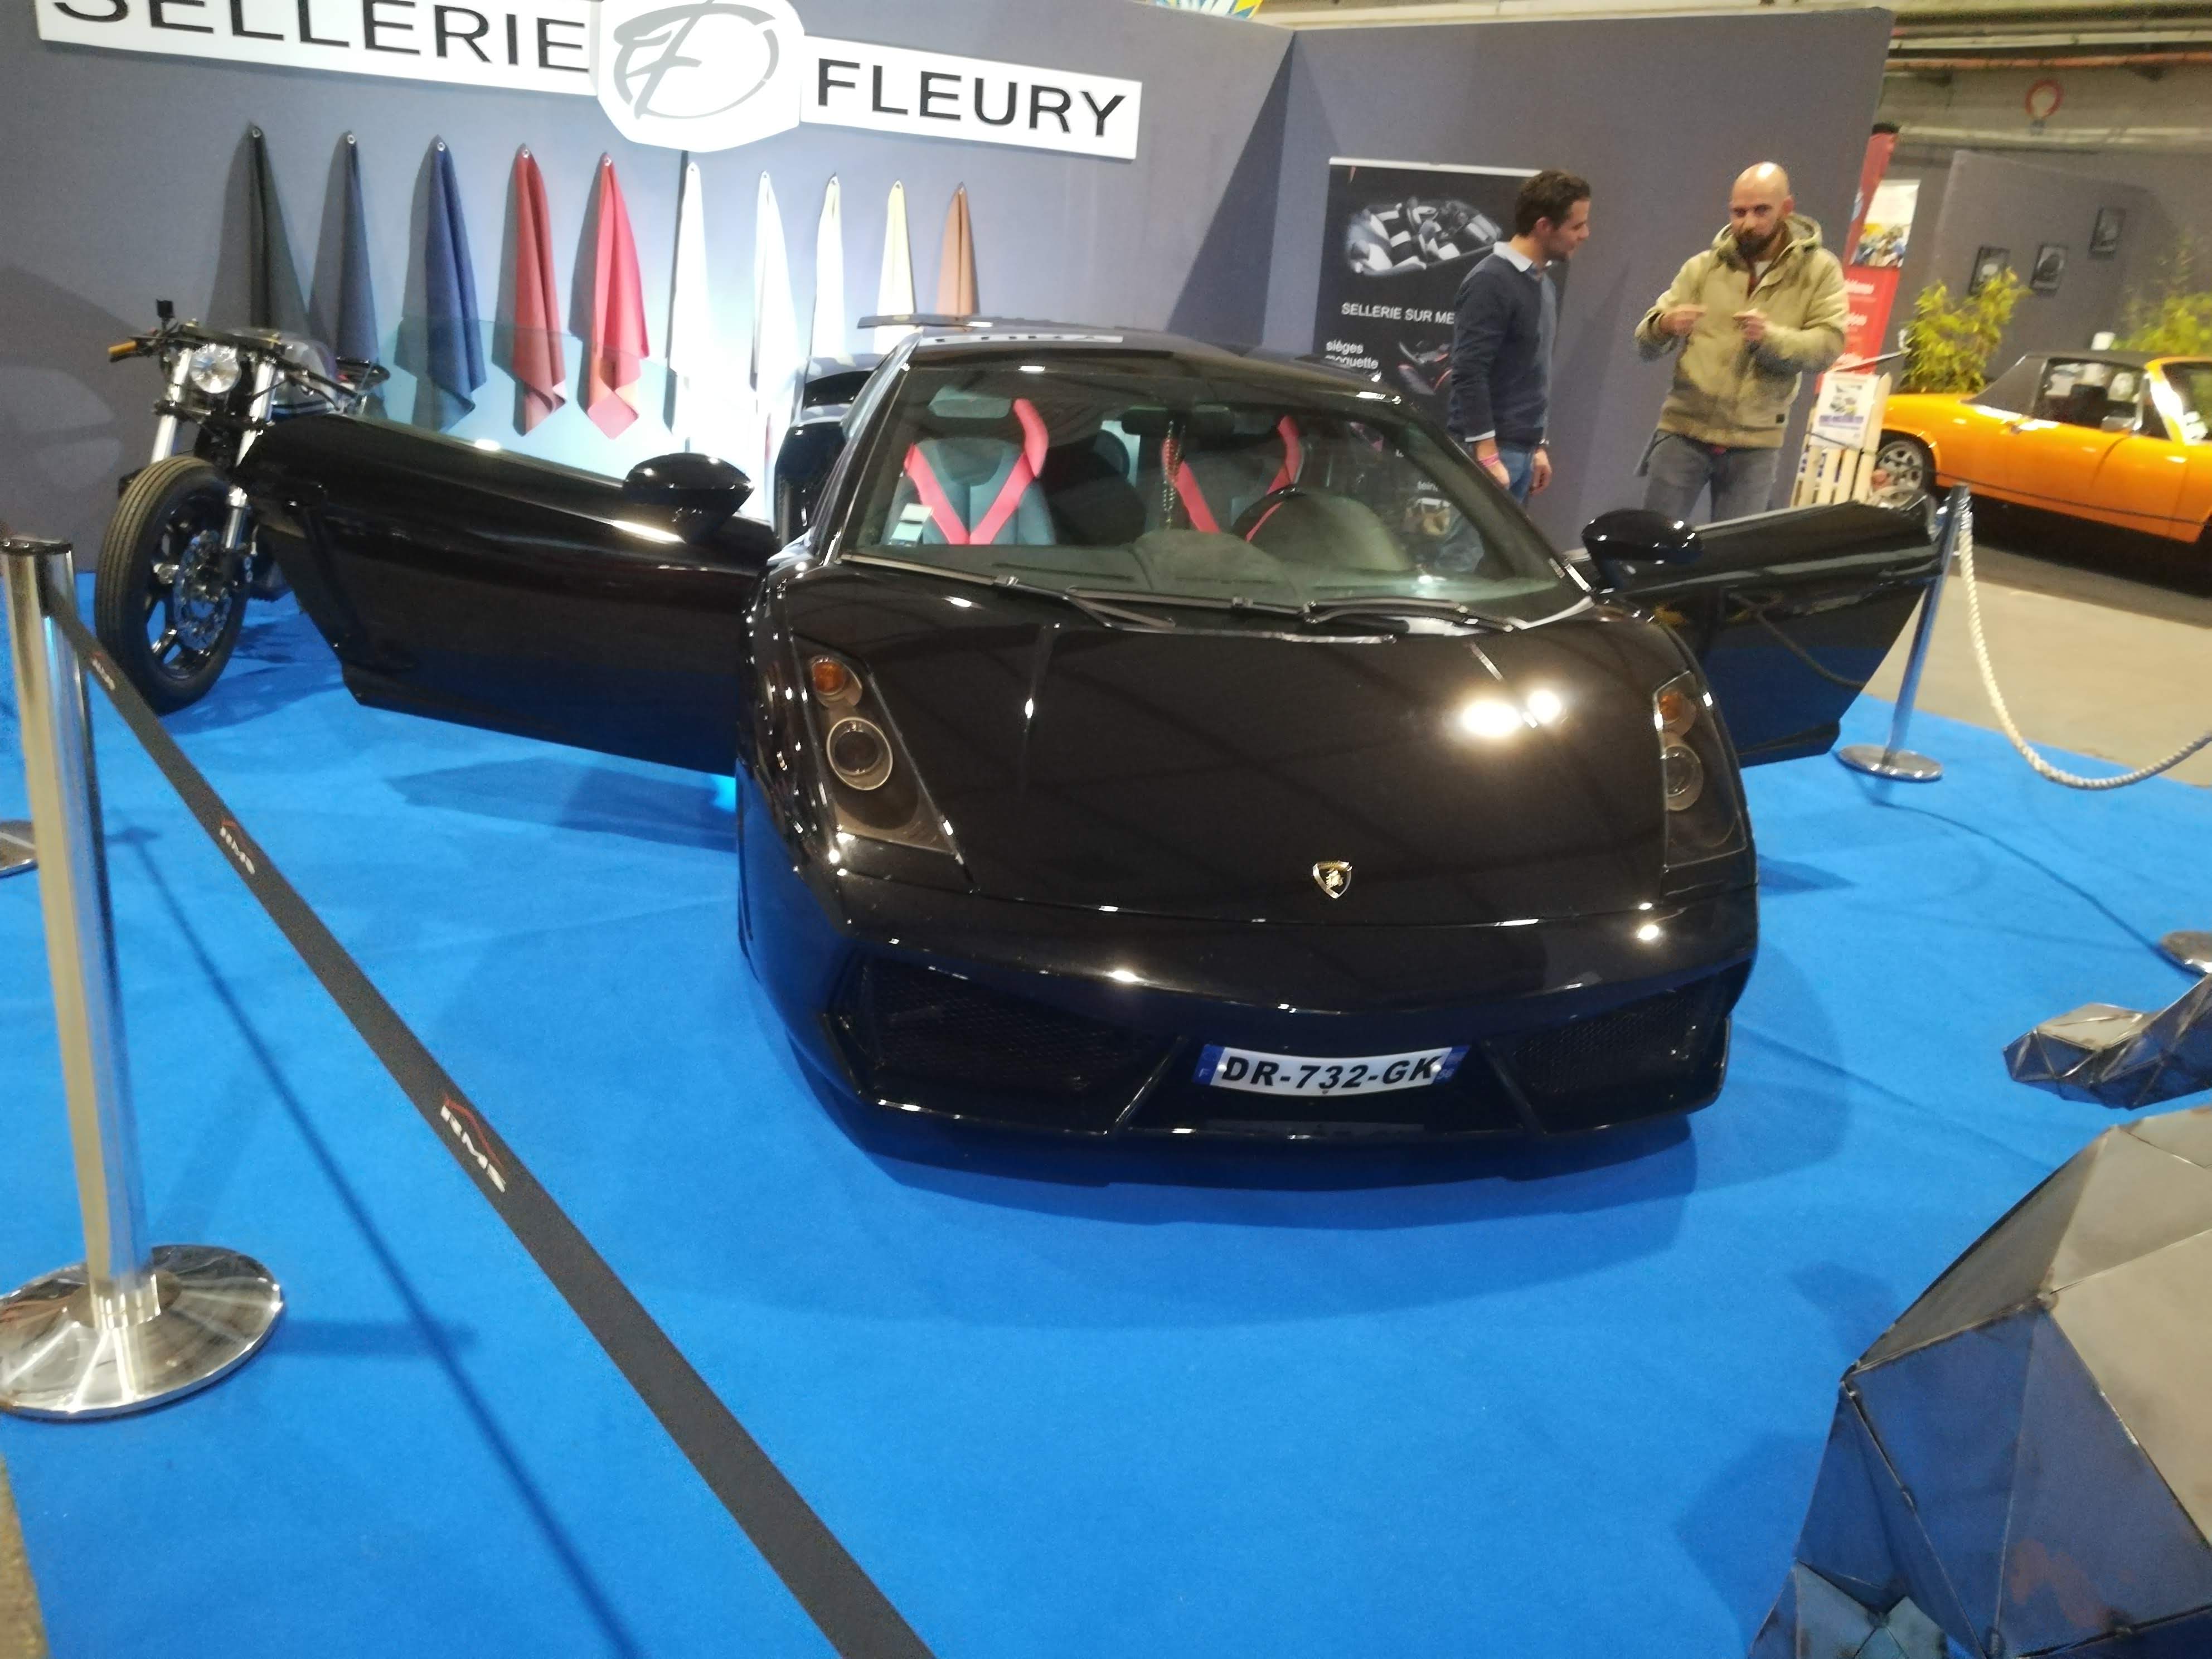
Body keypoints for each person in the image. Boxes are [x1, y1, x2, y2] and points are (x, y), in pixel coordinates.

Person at [1633, 162, 1846, 522]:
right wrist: (1665, 326)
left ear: (1787, 208)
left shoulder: (1820, 271)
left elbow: (1828, 346)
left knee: (1732, 552)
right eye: (1739, 212)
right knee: (1653, 543)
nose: (1748, 223)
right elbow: (1644, 343)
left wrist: (1771, 339)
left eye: (1761, 211)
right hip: (1683, 430)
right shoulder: (1702, 267)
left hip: (1755, 444)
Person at [1447, 169, 1591, 503]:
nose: (1585, 234)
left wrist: (1537, 446)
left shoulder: (1544, 284)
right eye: (1577, 226)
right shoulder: (1490, 281)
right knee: (1466, 541)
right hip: (1490, 454)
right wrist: (1487, 454)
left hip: (1520, 452)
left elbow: (1531, 374)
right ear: (1544, 226)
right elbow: (1469, 372)